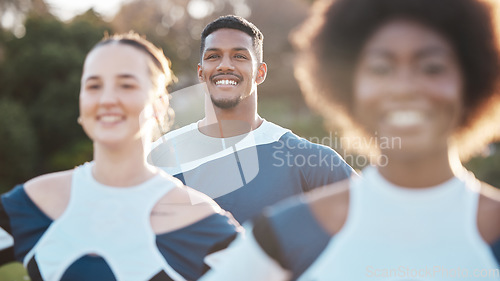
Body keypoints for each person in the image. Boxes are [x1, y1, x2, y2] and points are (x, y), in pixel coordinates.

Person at [199, 0, 500, 280]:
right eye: (381, 68)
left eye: (432, 67)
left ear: (471, 79)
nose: (405, 87)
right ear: (348, 86)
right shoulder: (284, 234)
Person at [0, 32, 240, 281]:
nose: (106, 99)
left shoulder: (200, 222)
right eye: (94, 86)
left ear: (158, 105)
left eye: (126, 85)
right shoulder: (33, 202)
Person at [148, 15, 354, 223]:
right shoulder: (159, 158)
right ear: (201, 73)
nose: (224, 65)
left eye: (239, 56)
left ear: (260, 73)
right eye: (213, 56)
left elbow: (378, 219)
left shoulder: (310, 161)